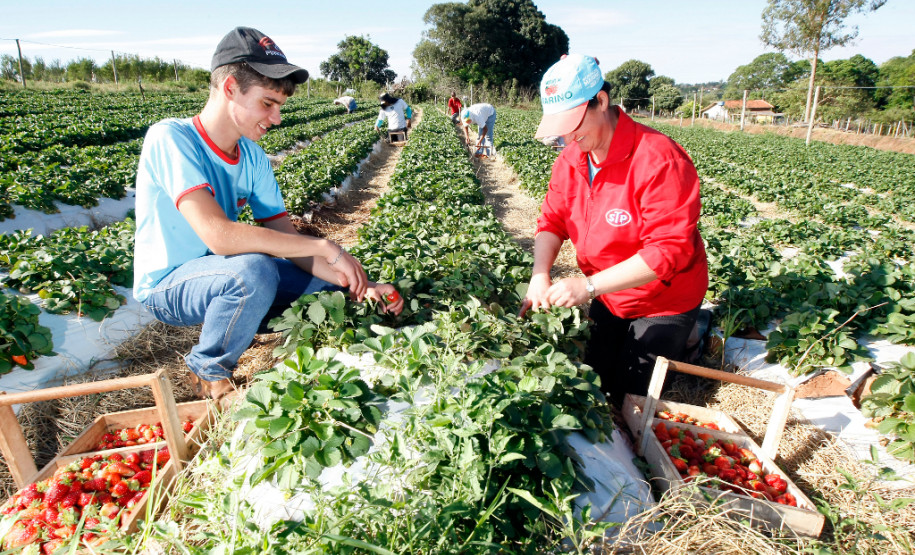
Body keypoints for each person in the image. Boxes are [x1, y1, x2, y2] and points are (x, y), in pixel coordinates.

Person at [133, 27, 404, 400]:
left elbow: (288, 241)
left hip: (224, 273)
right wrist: (326, 245)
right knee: (253, 270)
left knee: (332, 291)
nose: (276, 118)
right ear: (230, 88)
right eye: (267, 103)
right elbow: (220, 237)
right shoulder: (171, 139)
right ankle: (209, 369)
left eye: (280, 106)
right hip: (169, 285)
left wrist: (362, 287)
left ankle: (254, 320)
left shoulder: (253, 158)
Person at [519, 54, 708, 407]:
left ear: (602, 101)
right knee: (596, 383)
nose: (567, 135)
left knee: (630, 400)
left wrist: (588, 286)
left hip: (663, 297)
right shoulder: (571, 158)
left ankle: (692, 335)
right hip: (612, 292)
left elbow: (667, 251)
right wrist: (539, 275)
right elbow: (552, 220)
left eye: (573, 122)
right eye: (561, 126)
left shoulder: (659, 159)